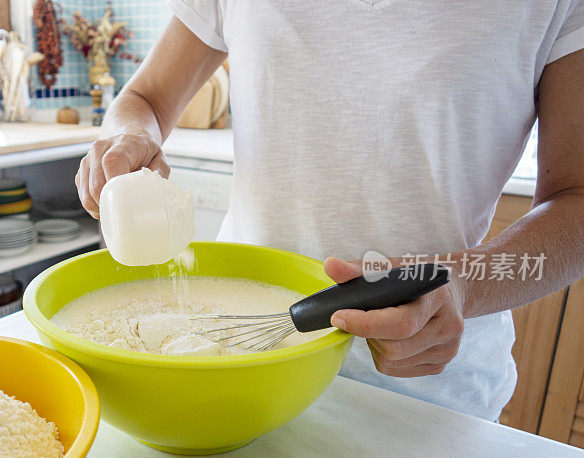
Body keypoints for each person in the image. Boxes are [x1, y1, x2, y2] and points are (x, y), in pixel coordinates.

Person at [74, 1, 584, 421]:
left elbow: (576, 201)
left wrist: (463, 284)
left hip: (418, 391)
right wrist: (127, 137)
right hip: (231, 363)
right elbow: (145, 97)